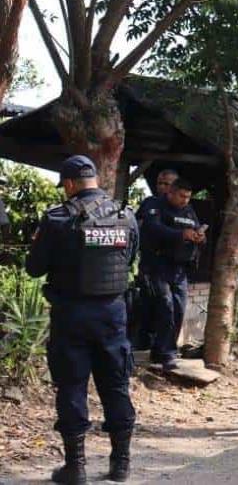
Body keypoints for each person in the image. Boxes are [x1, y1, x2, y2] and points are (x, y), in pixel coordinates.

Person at [25, 155, 138, 483]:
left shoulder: (58, 219)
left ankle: (76, 467)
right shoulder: (126, 216)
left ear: (70, 184)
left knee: (72, 386)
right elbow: (130, 258)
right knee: (116, 384)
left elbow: (34, 269)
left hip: (71, 315)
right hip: (113, 314)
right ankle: (121, 464)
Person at [139, 178, 205, 370]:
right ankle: (164, 353)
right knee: (165, 307)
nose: (185, 200)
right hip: (158, 266)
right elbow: (152, 228)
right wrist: (180, 234)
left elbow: (195, 229)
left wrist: (199, 236)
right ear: (171, 192)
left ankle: (164, 351)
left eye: (188, 197)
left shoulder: (189, 211)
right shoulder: (155, 205)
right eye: (182, 196)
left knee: (179, 308)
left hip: (180, 269)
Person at [130, 169, 179, 349]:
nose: (162, 187)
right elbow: (135, 227)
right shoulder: (149, 203)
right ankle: (145, 344)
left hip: (175, 268)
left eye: (167, 184)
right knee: (148, 306)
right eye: (160, 183)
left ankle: (165, 348)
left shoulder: (184, 209)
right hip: (151, 265)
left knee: (173, 309)